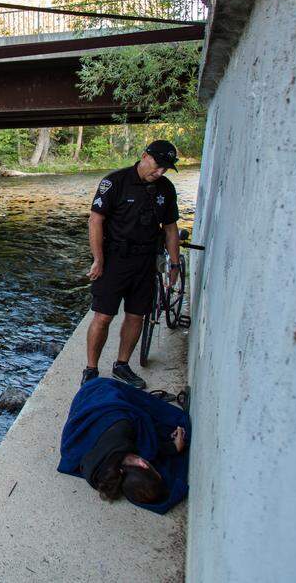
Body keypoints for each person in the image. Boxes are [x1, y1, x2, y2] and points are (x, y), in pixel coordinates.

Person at [83, 140, 182, 389]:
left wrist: (174, 265)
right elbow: (95, 221)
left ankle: (122, 365)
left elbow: (170, 228)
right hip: (114, 259)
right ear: (144, 156)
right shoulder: (115, 182)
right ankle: (91, 368)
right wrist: (98, 259)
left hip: (146, 261)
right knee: (103, 316)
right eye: (158, 166)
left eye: (165, 169)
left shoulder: (166, 189)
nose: (159, 172)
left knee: (136, 316)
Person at [57, 377, 190, 514]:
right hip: (101, 401)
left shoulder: (124, 434)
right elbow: (148, 440)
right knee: (144, 411)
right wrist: (172, 447)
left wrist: (172, 447)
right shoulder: (101, 472)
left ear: (143, 464)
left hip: (95, 391)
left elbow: (147, 439)